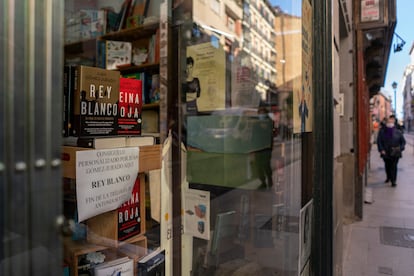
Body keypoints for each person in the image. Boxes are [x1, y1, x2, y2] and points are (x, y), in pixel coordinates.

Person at [377, 115, 406, 187]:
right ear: (386, 123)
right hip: (386, 152)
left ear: (393, 122)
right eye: (388, 122)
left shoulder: (398, 132)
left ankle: (393, 181)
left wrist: (400, 148)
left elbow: (403, 142)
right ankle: (388, 177)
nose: (390, 123)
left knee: (394, 166)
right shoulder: (382, 131)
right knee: (387, 165)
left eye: (391, 122)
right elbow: (379, 141)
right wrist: (381, 150)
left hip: (395, 152)